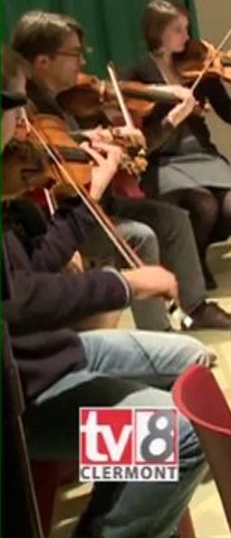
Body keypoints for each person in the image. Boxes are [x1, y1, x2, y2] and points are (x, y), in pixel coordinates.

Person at [1, 75, 211, 538]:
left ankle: (130, 499)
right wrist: (123, 283)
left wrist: (87, 196)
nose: (25, 131)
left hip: (55, 353)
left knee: (191, 360)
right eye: (16, 117)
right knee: (185, 436)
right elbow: (17, 302)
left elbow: (35, 268)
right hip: (25, 395)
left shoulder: (10, 203)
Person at [10, 11, 231, 330]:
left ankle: (195, 307)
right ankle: (160, 333)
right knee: (141, 237)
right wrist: (90, 141)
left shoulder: (69, 101)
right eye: (74, 55)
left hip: (99, 204)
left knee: (174, 220)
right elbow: (46, 150)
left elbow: (124, 144)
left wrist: (113, 136)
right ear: (43, 62)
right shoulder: (26, 113)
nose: (82, 64)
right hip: (62, 218)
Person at [126, 0, 231, 290]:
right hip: (163, 158)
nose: (188, 37)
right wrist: (170, 95)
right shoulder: (139, 70)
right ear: (158, 32)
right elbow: (125, 96)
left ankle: (190, 249)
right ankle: (195, 262)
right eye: (178, 30)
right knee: (205, 205)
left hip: (201, 154)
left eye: (186, 28)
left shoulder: (201, 67)